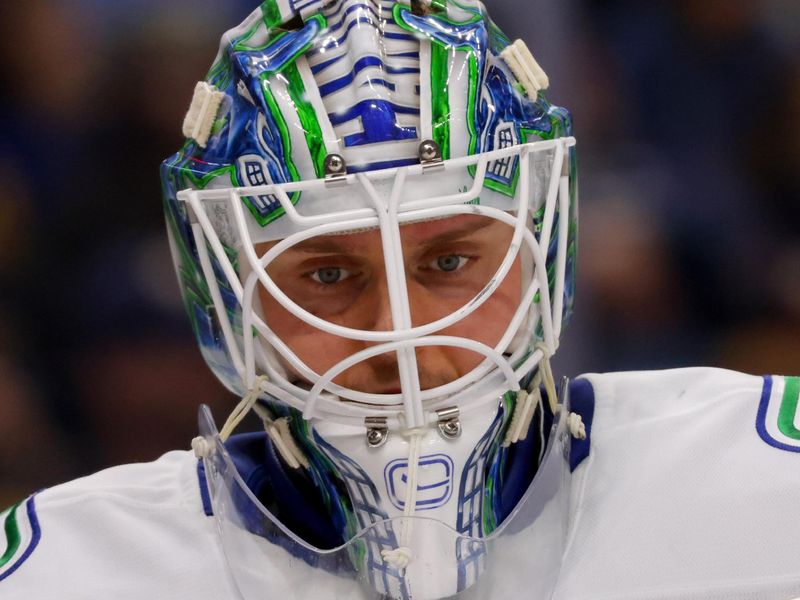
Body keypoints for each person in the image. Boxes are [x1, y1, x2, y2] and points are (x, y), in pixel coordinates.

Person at [2, 1, 799, 598]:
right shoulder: (65, 570)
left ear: (541, 254)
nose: (401, 336)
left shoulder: (764, 480)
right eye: (326, 276)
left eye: (449, 259)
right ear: (227, 292)